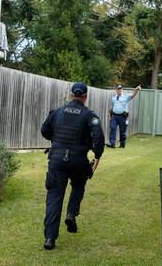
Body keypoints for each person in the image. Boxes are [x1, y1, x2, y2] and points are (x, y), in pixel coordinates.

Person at [40, 82, 105, 250]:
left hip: (56, 159)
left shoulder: (57, 112)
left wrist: (57, 140)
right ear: (85, 97)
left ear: (71, 95)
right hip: (78, 160)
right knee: (79, 184)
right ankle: (71, 213)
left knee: (54, 197)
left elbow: (44, 130)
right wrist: (97, 156)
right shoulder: (89, 115)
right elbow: (98, 136)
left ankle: (49, 239)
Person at [107, 84, 141, 149]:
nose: (119, 90)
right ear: (116, 90)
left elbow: (133, 94)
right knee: (112, 128)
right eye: (118, 89)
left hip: (123, 116)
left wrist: (136, 90)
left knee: (122, 131)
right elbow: (113, 106)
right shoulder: (114, 98)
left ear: (122, 90)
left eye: (120, 89)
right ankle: (112, 144)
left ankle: (122, 145)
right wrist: (109, 113)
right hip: (114, 116)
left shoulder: (126, 96)